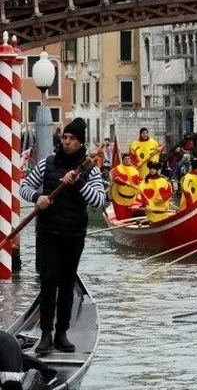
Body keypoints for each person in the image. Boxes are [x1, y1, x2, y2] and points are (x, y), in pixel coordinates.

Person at [19, 118, 107, 355]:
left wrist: (78, 184)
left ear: (80, 143)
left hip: (73, 234)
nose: (66, 142)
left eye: (72, 139)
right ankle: (46, 334)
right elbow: (24, 187)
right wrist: (37, 197)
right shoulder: (47, 164)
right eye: (65, 138)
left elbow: (99, 200)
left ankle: (61, 333)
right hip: (47, 232)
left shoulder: (90, 170)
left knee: (67, 284)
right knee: (48, 282)